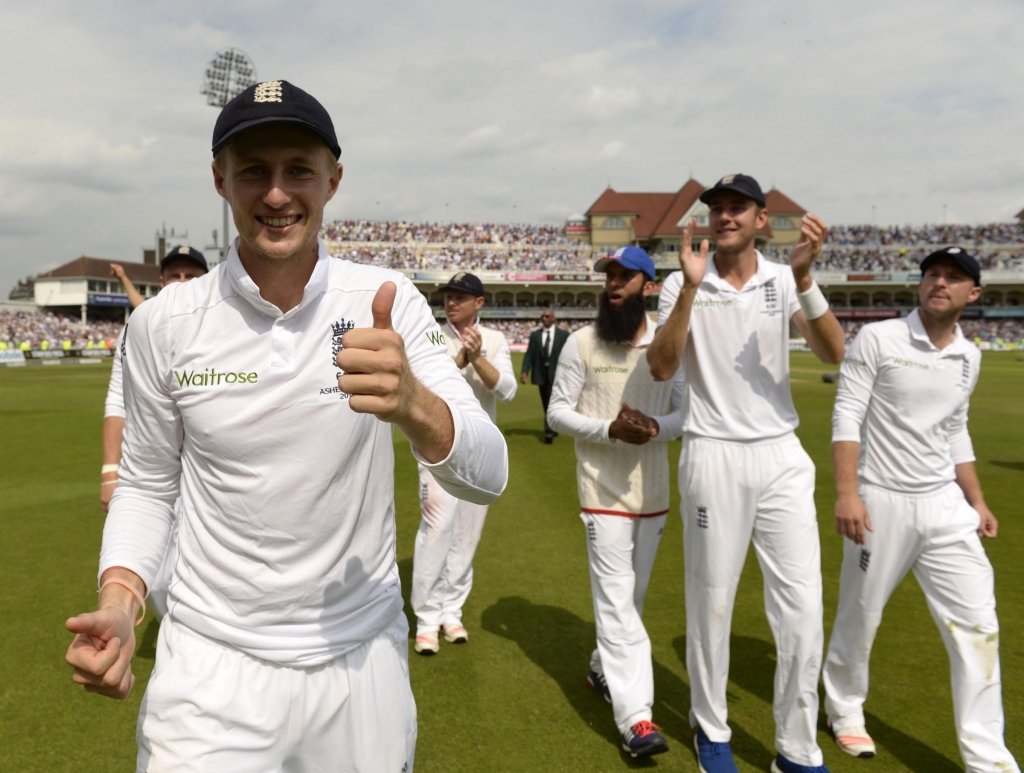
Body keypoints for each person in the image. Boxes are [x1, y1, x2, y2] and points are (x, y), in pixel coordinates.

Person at [64, 80, 507, 773]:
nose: (276, 194)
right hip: (210, 663)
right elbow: (148, 487)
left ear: (333, 178)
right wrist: (120, 600)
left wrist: (416, 404)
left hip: (359, 659)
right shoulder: (164, 324)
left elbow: (490, 473)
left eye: (298, 168)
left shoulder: (384, 300)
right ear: (221, 181)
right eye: (253, 171)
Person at [648, 174, 846, 773]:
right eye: (718, 209)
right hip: (713, 451)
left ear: (762, 220)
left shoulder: (785, 279)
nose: (726, 217)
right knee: (713, 600)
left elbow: (834, 352)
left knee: (803, 608)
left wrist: (806, 279)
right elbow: (660, 368)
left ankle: (797, 747)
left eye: (739, 209)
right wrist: (687, 288)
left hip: (780, 453)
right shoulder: (684, 279)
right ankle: (712, 729)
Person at [823, 247, 1019, 772]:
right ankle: (843, 710)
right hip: (881, 500)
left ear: (973, 294)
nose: (940, 282)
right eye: (933, 273)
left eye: (954, 278)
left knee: (979, 625)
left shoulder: (969, 357)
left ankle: (988, 759)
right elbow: (847, 415)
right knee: (861, 616)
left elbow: (954, 429)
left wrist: (976, 501)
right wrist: (848, 492)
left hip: (946, 508)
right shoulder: (880, 337)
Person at [548, 246, 683, 759]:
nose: (614, 284)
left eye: (626, 276)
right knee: (617, 602)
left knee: (633, 599)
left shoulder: (670, 348)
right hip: (600, 492)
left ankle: (604, 667)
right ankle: (636, 720)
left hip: (652, 494)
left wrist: (651, 429)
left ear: (649, 286)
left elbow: (685, 416)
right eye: (610, 275)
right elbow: (559, 412)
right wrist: (609, 429)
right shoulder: (582, 341)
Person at [411, 272, 516, 655]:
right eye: (449, 296)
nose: (451, 302)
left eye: (460, 297)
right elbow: (423, 388)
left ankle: (450, 612)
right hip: (437, 449)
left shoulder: (495, 340)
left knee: (467, 534)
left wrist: (478, 358)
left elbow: (506, 390)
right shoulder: (431, 333)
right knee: (437, 528)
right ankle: (426, 618)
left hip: (479, 452)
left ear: (479, 303)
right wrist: (459, 358)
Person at [102, 248, 209, 620]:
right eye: (174, 276)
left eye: (191, 276)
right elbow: (117, 400)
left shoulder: (223, 326)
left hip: (207, 474)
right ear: (162, 281)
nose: (182, 283)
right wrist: (109, 472)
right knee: (159, 566)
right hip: (152, 467)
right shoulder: (141, 326)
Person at [520, 308, 569, 443]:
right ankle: (553, 428)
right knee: (546, 403)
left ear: (553, 318)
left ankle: (549, 431)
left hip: (558, 375)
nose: (544, 318)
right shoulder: (535, 335)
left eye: (547, 316)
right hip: (541, 374)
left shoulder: (563, 335)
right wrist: (525, 371)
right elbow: (529, 354)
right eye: (542, 316)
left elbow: (570, 357)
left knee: (552, 402)